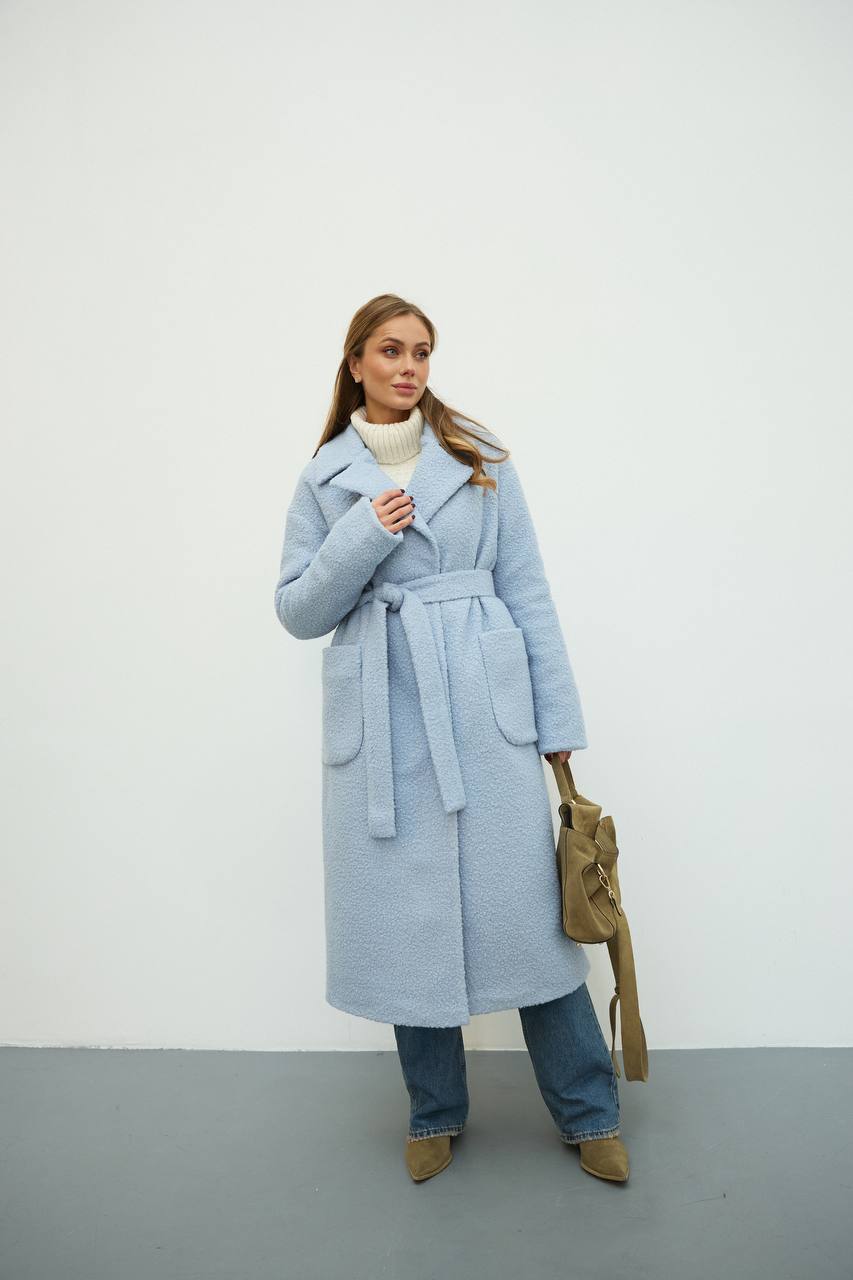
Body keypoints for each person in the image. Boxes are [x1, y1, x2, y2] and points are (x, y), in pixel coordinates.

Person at [274, 293, 629, 1184]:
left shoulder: (478, 457)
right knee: (410, 926)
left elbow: (528, 590)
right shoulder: (324, 480)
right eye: (389, 351)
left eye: (422, 352)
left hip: (484, 713)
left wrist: (554, 725)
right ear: (354, 361)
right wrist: (361, 534)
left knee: (533, 926)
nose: (408, 367)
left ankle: (589, 1114)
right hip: (385, 722)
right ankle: (434, 1111)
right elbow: (296, 612)